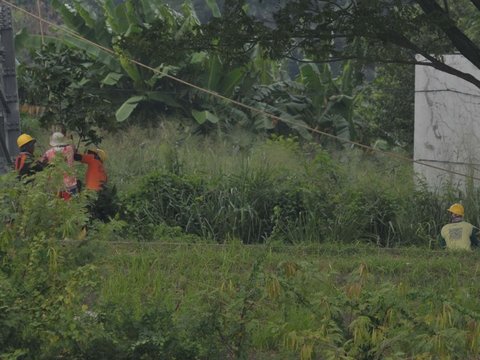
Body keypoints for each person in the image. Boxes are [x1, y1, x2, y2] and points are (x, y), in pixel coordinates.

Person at [74, 147, 117, 221]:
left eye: (91, 153)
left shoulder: (93, 159)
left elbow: (77, 157)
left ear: (97, 155)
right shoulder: (103, 170)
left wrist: (72, 151)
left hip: (90, 192)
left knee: (86, 212)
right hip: (100, 194)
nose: (89, 154)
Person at [41, 132, 78, 200]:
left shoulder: (48, 153)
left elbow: (42, 164)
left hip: (55, 185)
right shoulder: (70, 149)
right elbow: (74, 148)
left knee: (56, 207)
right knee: (71, 207)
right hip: (70, 185)